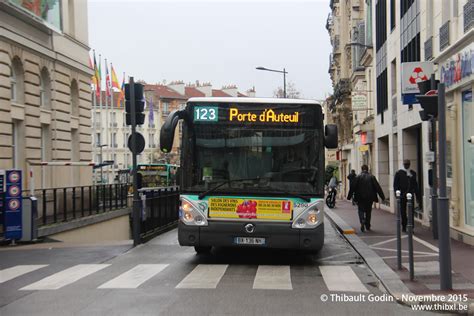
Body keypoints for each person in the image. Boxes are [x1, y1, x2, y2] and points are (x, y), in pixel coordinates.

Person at [347, 165, 385, 232]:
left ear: (362, 169)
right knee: (368, 211)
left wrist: (349, 197)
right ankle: (367, 225)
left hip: (360, 197)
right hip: (370, 197)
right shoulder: (372, 177)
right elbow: (377, 187)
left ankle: (362, 221)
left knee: (360, 210)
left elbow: (352, 187)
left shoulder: (358, 177)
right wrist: (382, 197)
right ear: (368, 169)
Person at [394, 159, 421, 232]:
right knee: (403, 211)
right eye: (405, 164)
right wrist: (397, 195)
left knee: (411, 211)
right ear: (403, 164)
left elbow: (415, 185)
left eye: (408, 164)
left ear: (410, 164)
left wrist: (418, 196)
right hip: (402, 195)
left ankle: (411, 226)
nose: (407, 165)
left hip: (410, 195)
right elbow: (396, 185)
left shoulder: (413, 173)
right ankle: (404, 225)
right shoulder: (399, 173)